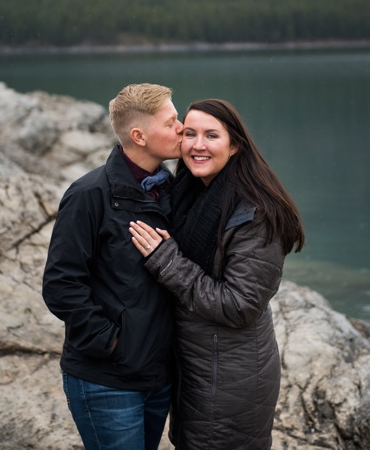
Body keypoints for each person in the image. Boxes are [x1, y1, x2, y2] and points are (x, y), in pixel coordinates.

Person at [129, 99, 305, 450]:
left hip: (230, 379)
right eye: (189, 134)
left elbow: (239, 305)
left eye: (212, 135)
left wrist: (167, 261)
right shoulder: (192, 192)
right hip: (197, 368)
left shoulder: (256, 213)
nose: (197, 145)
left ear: (235, 144)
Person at [42, 83, 184, 450]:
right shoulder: (89, 194)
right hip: (106, 380)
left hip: (158, 376)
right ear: (138, 136)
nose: (181, 128)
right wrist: (113, 343)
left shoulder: (172, 191)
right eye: (170, 123)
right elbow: (60, 285)